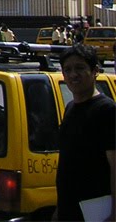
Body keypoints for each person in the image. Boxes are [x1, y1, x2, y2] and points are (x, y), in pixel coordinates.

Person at [55, 44, 115, 222]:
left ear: (95, 71)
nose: (73, 75)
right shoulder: (70, 108)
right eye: (68, 69)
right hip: (69, 207)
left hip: (96, 210)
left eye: (80, 68)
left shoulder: (107, 110)